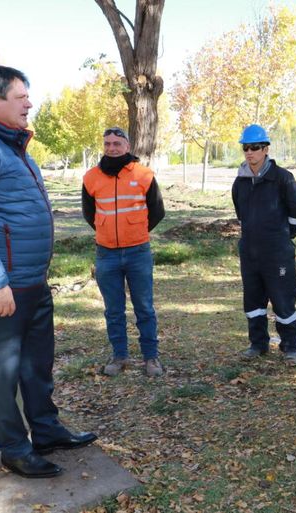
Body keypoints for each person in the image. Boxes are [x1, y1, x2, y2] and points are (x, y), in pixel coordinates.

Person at [0, 66, 96, 478]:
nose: (29, 103)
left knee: (37, 362)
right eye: (21, 95)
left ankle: (46, 431)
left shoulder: (12, 146)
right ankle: (14, 449)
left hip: (29, 279)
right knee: (1, 369)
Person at [82, 127, 165, 377]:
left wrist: (135, 230)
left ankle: (151, 357)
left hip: (138, 252)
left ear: (127, 146)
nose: (111, 148)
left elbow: (157, 211)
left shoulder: (144, 175)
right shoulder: (91, 177)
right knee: (113, 310)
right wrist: (107, 232)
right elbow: (90, 214)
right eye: (107, 143)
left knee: (144, 307)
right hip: (106, 254)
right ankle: (120, 356)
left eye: (117, 143)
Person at [232, 124, 296, 365]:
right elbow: (241, 213)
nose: (249, 152)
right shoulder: (240, 182)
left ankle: (290, 346)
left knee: (283, 300)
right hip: (250, 254)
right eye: (246, 148)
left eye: (254, 147)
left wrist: (282, 237)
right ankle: (258, 344)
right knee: (253, 302)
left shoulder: (283, 178)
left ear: (266, 149)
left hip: (278, 254)